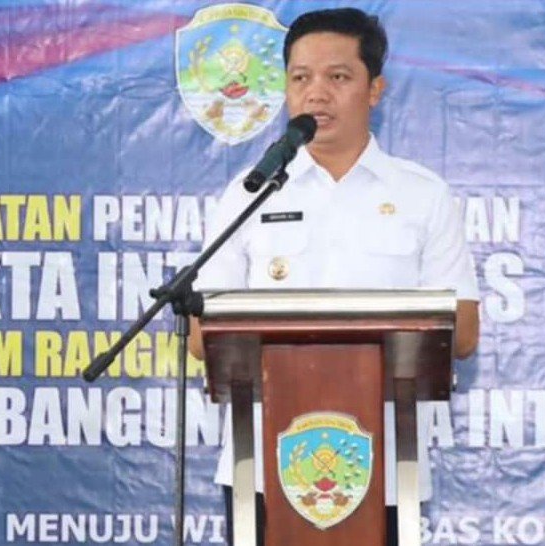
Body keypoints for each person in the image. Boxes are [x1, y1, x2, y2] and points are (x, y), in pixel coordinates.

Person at [187, 8, 480, 545]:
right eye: (300, 78)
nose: (315, 94)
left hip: (386, 469)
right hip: (263, 469)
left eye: (338, 76)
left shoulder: (422, 195)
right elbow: (202, 336)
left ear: (375, 90)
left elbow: (461, 331)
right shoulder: (250, 193)